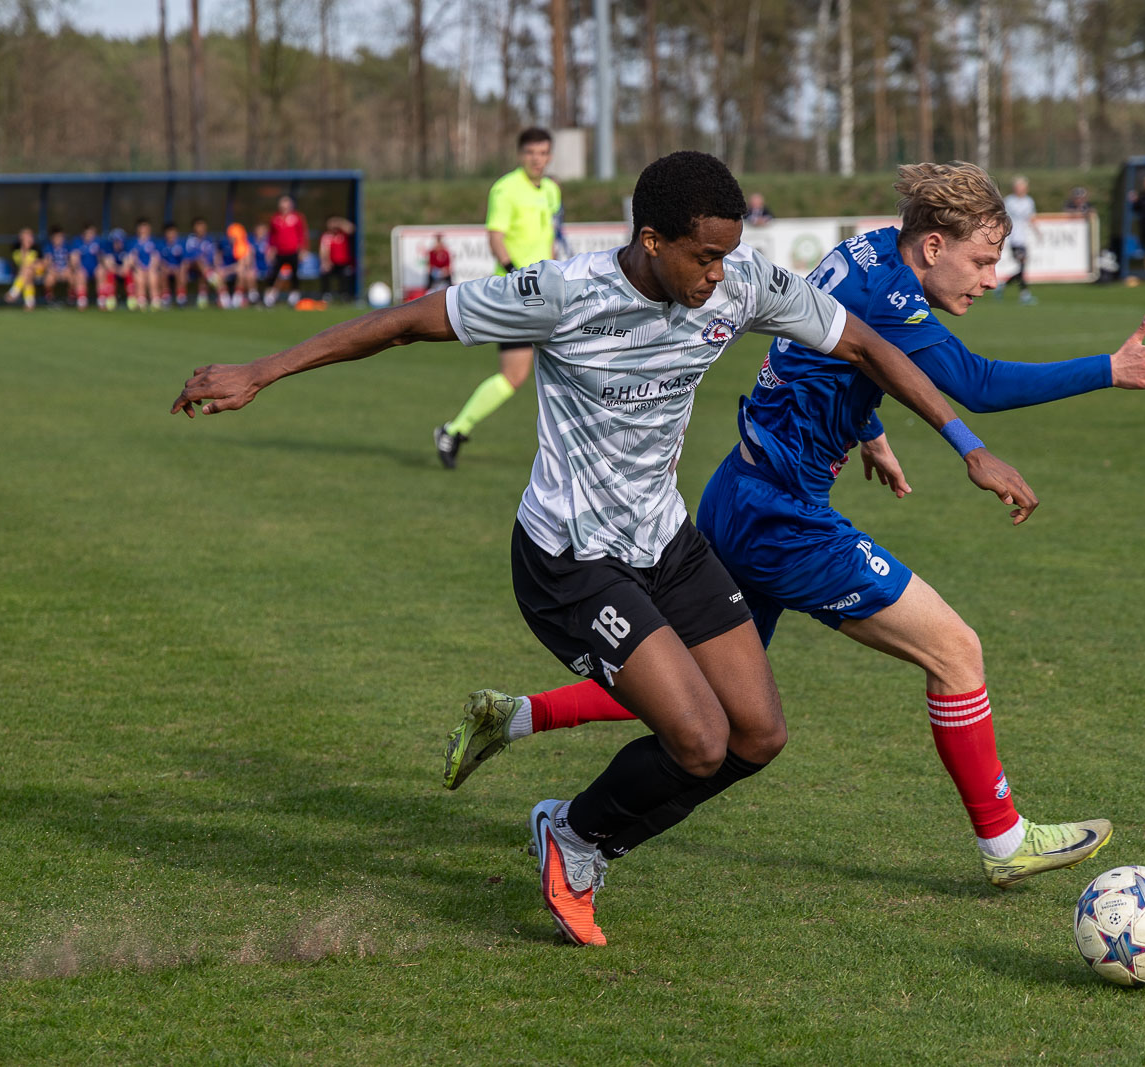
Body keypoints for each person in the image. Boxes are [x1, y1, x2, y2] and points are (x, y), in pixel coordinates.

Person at [172, 151, 1039, 946]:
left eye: (728, 256)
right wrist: (263, 369)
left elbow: (863, 343)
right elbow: (406, 323)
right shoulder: (562, 293)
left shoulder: (738, 285)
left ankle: (579, 832)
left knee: (759, 734)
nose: (717, 276)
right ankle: (577, 836)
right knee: (698, 738)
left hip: (667, 541)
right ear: (650, 239)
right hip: (570, 560)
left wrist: (968, 446)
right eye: (702, 257)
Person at [443, 161, 1145, 891]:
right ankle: (1003, 839)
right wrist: (1109, 368)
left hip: (736, 491)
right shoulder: (895, 300)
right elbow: (976, 383)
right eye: (983, 260)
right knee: (956, 649)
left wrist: (864, 429)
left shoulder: (868, 248)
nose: (991, 277)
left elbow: (830, 352)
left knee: (706, 688)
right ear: (933, 247)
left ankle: (513, 717)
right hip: (784, 518)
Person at [433, 127, 562, 470]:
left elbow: (549, 237)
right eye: (532, 153)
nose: (538, 159)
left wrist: (555, 270)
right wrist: (518, 274)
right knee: (513, 376)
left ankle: (579, 452)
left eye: (544, 153)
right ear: (521, 154)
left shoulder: (551, 191)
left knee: (573, 365)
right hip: (517, 294)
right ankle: (454, 430)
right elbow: (495, 238)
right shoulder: (505, 189)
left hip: (551, 293)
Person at [999, 175, 1038, 304]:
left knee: (1022, 267)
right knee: (1022, 265)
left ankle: (1003, 286)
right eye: (1017, 187)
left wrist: (1037, 231)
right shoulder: (1009, 201)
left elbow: (1031, 218)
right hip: (1013, 238)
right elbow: (1002, 217)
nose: (1020, 189)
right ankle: (1024, 294)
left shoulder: (1029, 201)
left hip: (1023, 238)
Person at [265, 196, 308, 306]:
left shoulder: (297, 217)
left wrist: (303, 249)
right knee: (274, 273)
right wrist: (270, 249)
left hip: (293, 250)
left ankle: (294, 296)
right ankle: (270, 296)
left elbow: (302, 234)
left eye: (286, 204)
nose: (284, 206)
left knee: (294, 274)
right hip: (280, 251)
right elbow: (272, 236)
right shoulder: (275, 218)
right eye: (282, 204)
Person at [319, 217, 356, 302]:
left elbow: (352, 229)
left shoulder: (343, 234)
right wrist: (325, 262)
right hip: (331, 263)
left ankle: (345, 295)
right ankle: (326, 295)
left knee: (346, 275)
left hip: (344, 263)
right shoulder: (326, 236)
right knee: (324, 272)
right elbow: (323, 250)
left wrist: (339, 222)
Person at [4, 227, 40, 310]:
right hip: (26, 273)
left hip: (38, 272)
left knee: (27, 271)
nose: (28, 238)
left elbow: (42, 263)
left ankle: (14, 293)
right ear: (21, 238)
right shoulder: (16, 249)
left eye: (30, 236)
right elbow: (21, 264)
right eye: (26, 237)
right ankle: (29, 304)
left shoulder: (37, 248)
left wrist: (33, 265)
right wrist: (25, 249)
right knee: (27, 273)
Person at [128, 219, 161, 310]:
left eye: (145, 227)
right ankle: (141, 301)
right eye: (141, 227)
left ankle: (155, 301)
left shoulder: (153, 242)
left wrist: (150, 267)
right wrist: (138, 267)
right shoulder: (133, 242)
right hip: (139, 268)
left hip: (151, 268)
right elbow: (132, 258)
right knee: (139, 278)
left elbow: (156, 257)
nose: (143, 230)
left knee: (153, 277)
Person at [41, 225, 78, 307]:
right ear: (52, 238)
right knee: (49, 279)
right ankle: (49, 299)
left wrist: (69, 268)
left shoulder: (68, 245)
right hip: (54, 270)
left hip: (66, 270)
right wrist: (53, 270)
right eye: (56, 237)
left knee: (72, 277)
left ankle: (71, 298)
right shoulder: (48, 247)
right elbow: (47, 262)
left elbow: (72, 260)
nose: (59, 239)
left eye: (61, 237)